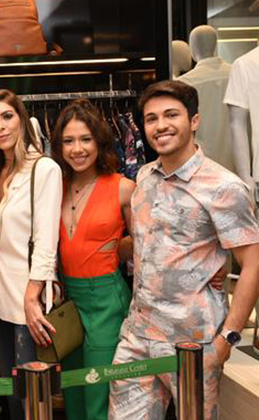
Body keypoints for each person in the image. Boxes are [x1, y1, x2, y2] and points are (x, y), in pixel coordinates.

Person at [109, 80, 259, 420]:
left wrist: (226, 340)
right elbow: (151, 244)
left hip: (193, 343)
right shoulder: (145, 176)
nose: (160, 125)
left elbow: (252, 264)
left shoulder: (224, 187)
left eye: (171, 115)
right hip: (138, 336)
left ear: (194, 121)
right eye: (151, 118)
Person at [0, 89, 62, 420]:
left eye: (7, 117)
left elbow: (46, 239)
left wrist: (32, 297)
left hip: (27, 299)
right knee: (10, 393)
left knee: (31, 399)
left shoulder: (44, 169)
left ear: (22, 120)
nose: (0, 127)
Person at [50, 99, 135, 420]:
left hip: (106, 300)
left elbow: (145, 242)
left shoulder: (123, 187)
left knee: (98, 394)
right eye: (68, 141)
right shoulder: (54, 188)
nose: (77, 149)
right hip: (67, 305)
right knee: (72, 393)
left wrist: (112, 250)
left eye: (85, 139)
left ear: (99, 141)